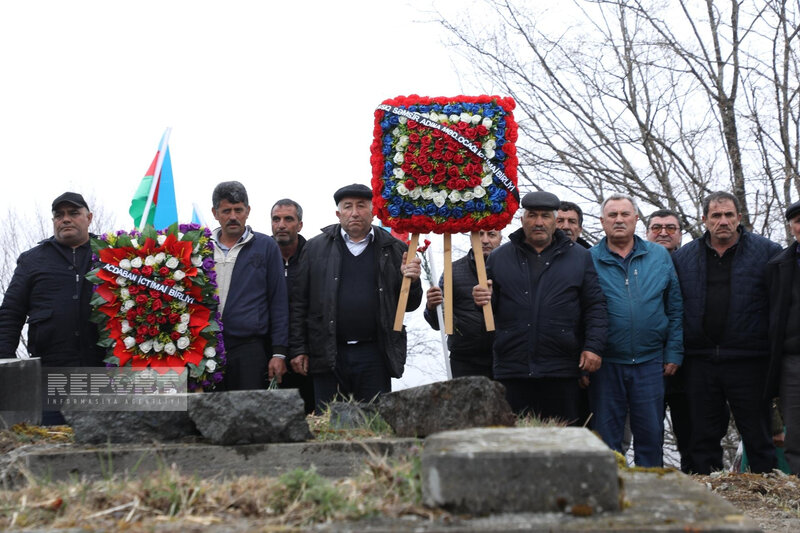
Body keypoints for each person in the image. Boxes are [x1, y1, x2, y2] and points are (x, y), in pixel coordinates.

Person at [472, 191, 607, 424]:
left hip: (561, 368)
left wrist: (593, 347)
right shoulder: (498, 258)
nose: (538, 222)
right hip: (512, 367)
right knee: (513, 442)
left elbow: (595, 306)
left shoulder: (580, 257)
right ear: (522, 219)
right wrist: (483, 300)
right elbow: (489, 313)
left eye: (545, 216)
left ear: (555, 221)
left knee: (562, 444)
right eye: (532, 215)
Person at [673, 191, 781, 474]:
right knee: (702, 435)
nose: (723, 221)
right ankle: (706, 494)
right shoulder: (683, 258)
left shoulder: (768, 253)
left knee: (757, 433)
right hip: (700, 360)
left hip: (750, 360)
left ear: (739, 218)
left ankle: (765, 491)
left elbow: (779, 307)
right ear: (704, 220)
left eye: (729, 215)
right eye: (716, 215)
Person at [288, 183, 422, 410]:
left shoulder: (395, 248)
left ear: (373, 211)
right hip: (329, 353)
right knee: (330, 425)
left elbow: (409, 305)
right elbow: (299, 303)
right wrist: (298, 348)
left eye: (361, 206)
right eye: (348, 207)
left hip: (375, 354)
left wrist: (413, 280)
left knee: (375, 423)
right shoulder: (314, 249)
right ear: (338, 214)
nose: (355, 212)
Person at [590, 193, 683, 467]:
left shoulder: (658, 256)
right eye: (613, 215)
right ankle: (609, 496)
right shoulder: (587, 259)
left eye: (625, 214)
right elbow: (579, 313)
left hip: (650, 361)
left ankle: (649, 499)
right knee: (607, 439)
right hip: (606, 363)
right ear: (602, 222)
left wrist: (674, 351)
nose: (619, 220)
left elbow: (675, 307)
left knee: (650, 435)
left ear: (636, 219)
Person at [0, 192, 105, 424]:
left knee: (110, 447)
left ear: (89, 217)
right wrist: (4, 363)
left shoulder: (112, 255)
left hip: (105, 371)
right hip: (51, 375)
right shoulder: (32, 260)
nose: (65, 219)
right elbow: (10, 314)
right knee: (50, 442)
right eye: (59, 215)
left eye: (73, 213)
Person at [211, 181, 288, 391]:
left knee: (248, 416)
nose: (233, 216)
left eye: (239, 210)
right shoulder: (201, 247)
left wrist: (279, 352)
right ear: (215, 213)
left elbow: (278, 300)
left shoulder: (266, 246)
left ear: (248, 211)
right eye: (226, 210)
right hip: (206, 347)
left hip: (250, 348)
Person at [645, 209, 691, 472]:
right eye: (657, 227)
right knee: (650, 431)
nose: (663, 232)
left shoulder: (693, 262)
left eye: (671, 228)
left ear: (680, 235)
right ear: (647, 232)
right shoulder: (636, 262)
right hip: (646, 360)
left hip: (689, 362)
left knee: (690, 431)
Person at [423, 229, 501, 379]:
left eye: (491, 235)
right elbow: (439, 324)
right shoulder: (453, 271)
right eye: (479, 234)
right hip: (465, 360)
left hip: (506, 357)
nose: (485, 240)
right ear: (471, 237)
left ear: (500, 238)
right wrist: (432, 308)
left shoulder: (512, 268)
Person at [270, 198, 314, 414]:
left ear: (300, 224)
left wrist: (301, 348)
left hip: (306, 357)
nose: (281, 225)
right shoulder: (260, 257)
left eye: (288, 219)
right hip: (268, 356)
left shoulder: (315, 256)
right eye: (276, 219)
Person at [766, 200, 800, 475]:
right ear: (791, 227)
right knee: (796, 431)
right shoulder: (778, 265)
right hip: (793, 361)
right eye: (798, 221)